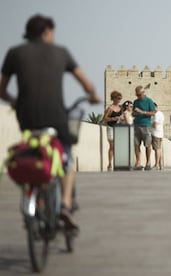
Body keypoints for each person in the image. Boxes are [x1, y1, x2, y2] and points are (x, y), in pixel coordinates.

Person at [0, 14, 101, 230]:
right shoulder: (61, 53)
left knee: (34, 149)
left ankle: (38, 199)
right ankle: (65, 205)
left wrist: (14, 101)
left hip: (26, 117)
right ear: (47, 31)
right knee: (65, 158)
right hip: (56, 117)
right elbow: (85, 83)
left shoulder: (14, 53)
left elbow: (2, 90)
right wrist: (93, 95)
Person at [132, 85, 156, 171]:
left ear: (143, 93)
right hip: (136, 125)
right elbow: (133, 114)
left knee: (147, 145)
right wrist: (135, 113)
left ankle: (148, 162)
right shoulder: (135, 102)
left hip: (146, 125)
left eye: (139, 95)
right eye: (137, 95)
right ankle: (138, 162)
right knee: (136, 144)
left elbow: (153, 112)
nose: (138, 96)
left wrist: (142, 112)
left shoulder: (149, 101)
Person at [103, 91, 123, 170]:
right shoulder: (110, 108)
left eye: (120, 98)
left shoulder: (121, 108)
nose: (119, 100)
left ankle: (118, 162)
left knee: (118, 146)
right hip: (111, 128)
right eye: (118, 98)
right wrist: (113, 118)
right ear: (113, 98)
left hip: (119, 129)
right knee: (112, 146)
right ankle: (110, 163)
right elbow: (104, 118)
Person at [151, 102, 164, 170]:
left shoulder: (156, 114)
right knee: (159, 149)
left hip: (156, 133)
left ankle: (156, 164)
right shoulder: (161, 113)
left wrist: (149, 124)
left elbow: (155, 125)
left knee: (157, 149)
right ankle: (160, 164)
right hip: (160, 133)